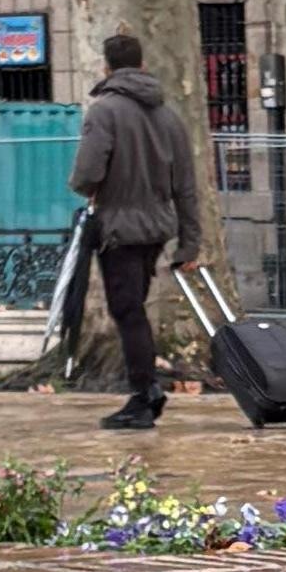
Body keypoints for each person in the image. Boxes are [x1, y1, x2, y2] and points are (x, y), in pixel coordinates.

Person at [66, 23, 204, 433]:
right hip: (157, 228)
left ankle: (145, 394)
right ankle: (145, 390)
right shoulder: (168, 116)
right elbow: (186, 186)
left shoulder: (104, 111)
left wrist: (88, 187)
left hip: (118, 227)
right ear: (142, 64)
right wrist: (189, 244)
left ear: (107, 68)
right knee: (134, 308)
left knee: (128, 313)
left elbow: (87, 171)